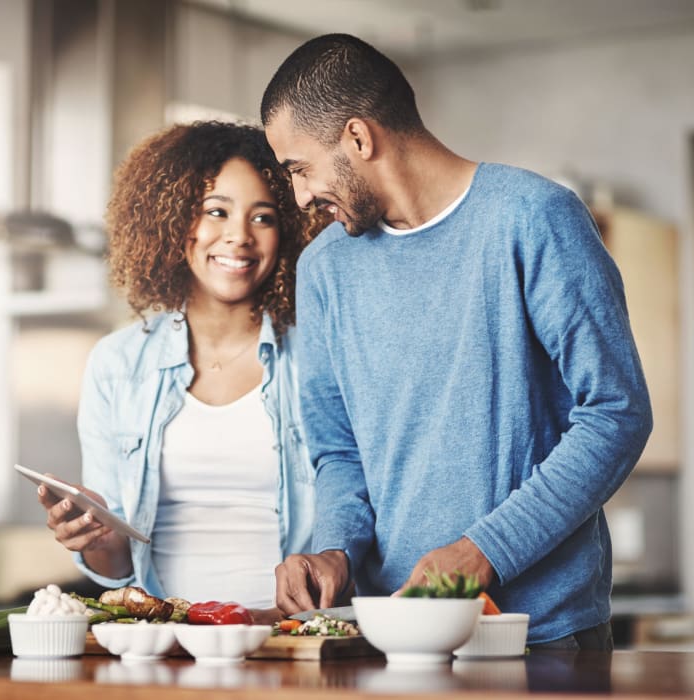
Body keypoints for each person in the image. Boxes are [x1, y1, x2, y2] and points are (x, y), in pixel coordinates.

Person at [260, 33, 652, 650]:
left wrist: (483, 552)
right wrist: (335, 547)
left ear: (359, 138)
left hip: (540, 636)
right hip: (390, 632)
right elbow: (338, 450)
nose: (301, 195)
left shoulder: (534, 219)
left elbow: (617, 413)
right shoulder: (324, 269)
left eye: (300, 168)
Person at [36, 121, 325, 622]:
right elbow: (118, 572)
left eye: (264, 217)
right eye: (217, 211)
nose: (238, 236)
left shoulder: (319, 356)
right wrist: (96, 537)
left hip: (288, 640)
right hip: (165, 643)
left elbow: (354, 519)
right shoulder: (117, 365)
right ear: (173, 223)